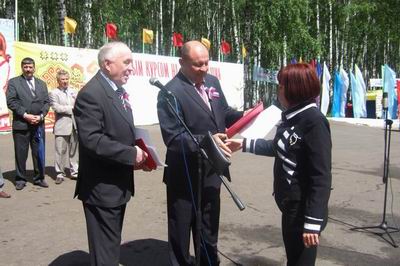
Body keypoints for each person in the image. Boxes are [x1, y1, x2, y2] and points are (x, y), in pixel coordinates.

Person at [227, 63, 332, 266]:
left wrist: (312, 222)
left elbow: (321, 177)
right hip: (290, 206)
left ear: (295, 88)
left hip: (303, 211)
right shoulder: (294, 116)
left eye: (281, 86)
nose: (278, 90)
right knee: (293, 258)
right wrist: (244, 144)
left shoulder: (314, 121)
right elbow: (281, 147)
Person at [157, 40, 243, 266]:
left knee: (209, 225)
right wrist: (205, 142)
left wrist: (247, 115)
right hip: (183, 173)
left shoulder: (212, 81)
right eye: (198, 65)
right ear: (182, 63)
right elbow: (173, 138)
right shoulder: (169, 93)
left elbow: (222, 112)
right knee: (181, 228)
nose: (204, 69)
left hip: (212, 170)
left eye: (206, 63)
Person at [73, 41, 151, 266]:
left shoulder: (115, 91)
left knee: (110, 247)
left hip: (116, 185)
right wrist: (130, 154)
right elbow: (92, 140)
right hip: (101, 188)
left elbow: (117, 131)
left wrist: (141, 153)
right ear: (107, 64)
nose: (131, 68)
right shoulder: (92, 94)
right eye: (127, 62)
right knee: (105, 252)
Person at [6, 57, 50, 190]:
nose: (28, 69)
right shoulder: (14, 82)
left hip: (38, 125)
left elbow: (47, 102)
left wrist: (41, 116)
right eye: (25, 67)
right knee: (21, 153)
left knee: (39, 153)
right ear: (22, 68)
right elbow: (12, 101)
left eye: (30, 67)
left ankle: (39, 178)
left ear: (34, 68)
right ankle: (20, 179)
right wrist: (26, 115)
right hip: (21, 125)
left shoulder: (42, 83)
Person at [49, 70, 78, 184]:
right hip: (61, 126)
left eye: (66, 79)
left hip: (75, 125)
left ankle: (74, 172)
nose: (65, 81)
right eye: (62, 79)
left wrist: (73, 107)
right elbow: (56, 107)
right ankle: (59, 173)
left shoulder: (73, 91)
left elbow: (79, 104)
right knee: (60, 151)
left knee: (74, 151)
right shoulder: (53, 93)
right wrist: (71, 108)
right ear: (58, 80)